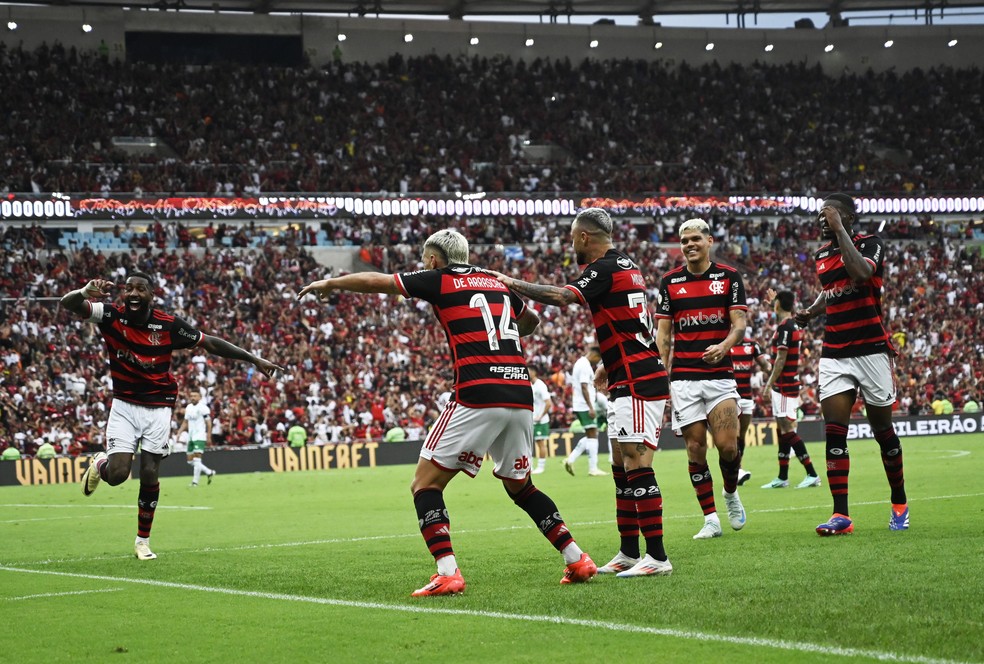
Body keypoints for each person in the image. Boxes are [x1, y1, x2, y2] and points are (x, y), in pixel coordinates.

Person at [298, 229, 597, 596]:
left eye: (426, 259)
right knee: (521, 487)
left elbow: (379, 281)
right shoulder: (494, 280)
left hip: (477, 391)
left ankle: (448, 572)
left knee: (425, 483)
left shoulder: (439, 279)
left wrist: (331, 281)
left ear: (434, 260)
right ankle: (577, 559)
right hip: (519, 393)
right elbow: (532, 321)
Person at [495, 207, 673, 578]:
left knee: (637, 464)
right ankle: (628, 552)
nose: (570, 244)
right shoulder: (626, 265)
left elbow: (563, 297)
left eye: (572, 237)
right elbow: (628, 322)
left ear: (583, 237)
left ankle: (656, 557)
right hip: (627, 372)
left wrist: (510, 282)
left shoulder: (605, 267)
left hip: (638, 378)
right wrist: (609, 362)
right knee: (621, 468)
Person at [63, 272, 282, 560]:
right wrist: (84, 291)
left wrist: (253, 358)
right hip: (125, 406)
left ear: (151, 296)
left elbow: (210, 342)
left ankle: (142, 541)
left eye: (140, 289)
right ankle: (101, 463)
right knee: (117, 476)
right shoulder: (110, 315)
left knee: (150, 472)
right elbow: (69, 304)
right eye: (128, 289)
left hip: (159, 407)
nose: (133, 294)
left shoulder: (168, 325)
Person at [795, 193, 908, 535]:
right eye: (820, 214)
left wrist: (839, 228)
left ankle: (899, 502)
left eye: (828, 213)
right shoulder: (821, 254)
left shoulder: (871, 243)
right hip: (834, 352)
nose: (821, 219)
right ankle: (841, 515)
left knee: (883, 433)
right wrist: (811, 311)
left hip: (872, 348)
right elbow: (831, 290)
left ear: (847, 217)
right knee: (834, 432)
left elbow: (859, 273)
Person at [655, 218, 748, 540]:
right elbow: (663, 334)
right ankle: (710, 519)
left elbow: (739, 324)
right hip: (684, 378)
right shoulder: (669, 282)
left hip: (720, 375)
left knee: (728, 447)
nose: (690, 245)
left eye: (696, 239)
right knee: (695, 448)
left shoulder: (729, 278)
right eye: (684, 241)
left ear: (709, 241)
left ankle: (731, 493)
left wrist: (724, 346)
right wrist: (659, 373)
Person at [760, 289, 821, 489]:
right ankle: (782, 476)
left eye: (775, 302)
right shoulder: (789, 324)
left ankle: (812, 473)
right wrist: (774, 303)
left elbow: (781, 359)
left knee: (787, 428)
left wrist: (768, 384)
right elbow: (783, 311)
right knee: (782, 429)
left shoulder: (786, 327)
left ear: (779, 304)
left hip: (785, 385)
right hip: (784, 384)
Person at [728, 328, 770, 487]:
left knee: (741, 437)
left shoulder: (752, 345)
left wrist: (772, 381)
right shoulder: (725, 343)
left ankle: (736, 469)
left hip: (747, 397)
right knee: (735, 433)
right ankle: (737, 470)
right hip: (730, 395)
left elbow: (765, 366)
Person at [562, 344, 607, 477]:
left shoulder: (582, 363)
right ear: (594, 355)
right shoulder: (584, 365)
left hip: (582, 405)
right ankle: (593, 468)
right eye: (598, 359)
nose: (597, 362)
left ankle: (570, 460)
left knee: (591, 435)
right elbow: (583, 387)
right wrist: (591, 407)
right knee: (593, 435)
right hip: (584, 405)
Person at [176, 391, 216, 487]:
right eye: (191, 396)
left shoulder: (203, 408)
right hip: (191, 436)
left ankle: (195, 482)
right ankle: (209, 472)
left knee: (197, 459)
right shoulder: (189, 407)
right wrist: (179, 432)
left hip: (200, 436)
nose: (193, 397)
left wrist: (208, 435)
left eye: (195, 396)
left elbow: (209, 423)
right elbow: (186, 421)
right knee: (190, 461)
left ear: (200, 397)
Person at [528, 364, 553, 474]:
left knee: (540, 442)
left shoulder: (540, 385)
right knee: (528, 443)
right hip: (532, 419)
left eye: (528, 371)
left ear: (534, 372)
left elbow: (548, 403)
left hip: (540, 420)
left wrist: (540, 416)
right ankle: (530, 466)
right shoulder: (530, 385)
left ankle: (541, 467)